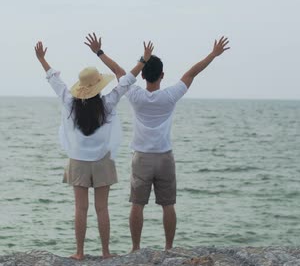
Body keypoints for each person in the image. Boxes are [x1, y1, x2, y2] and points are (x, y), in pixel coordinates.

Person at [97, 36, 230, 252]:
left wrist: (99, 52)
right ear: (162, 75)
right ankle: (168, 248)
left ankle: (136, 249)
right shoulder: (169, 96)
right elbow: (191, 73)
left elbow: (119, 71)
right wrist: (213, 54)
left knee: (137, 204)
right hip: (165, 157)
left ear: (142, 75)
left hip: (141, 157)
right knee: (168, 205)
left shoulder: (135, 93)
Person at [34, 33, 153, 260]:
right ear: (98, 85)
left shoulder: (69, 102)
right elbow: (127, 80)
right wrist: (144, 60)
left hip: (78, 161)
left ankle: (79, 252)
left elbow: (54, 80)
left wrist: (42, 59)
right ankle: (106, 252)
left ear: (81, 87)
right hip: (102, 162)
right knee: (102, 209)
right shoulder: (107, 103)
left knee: (80, 209)